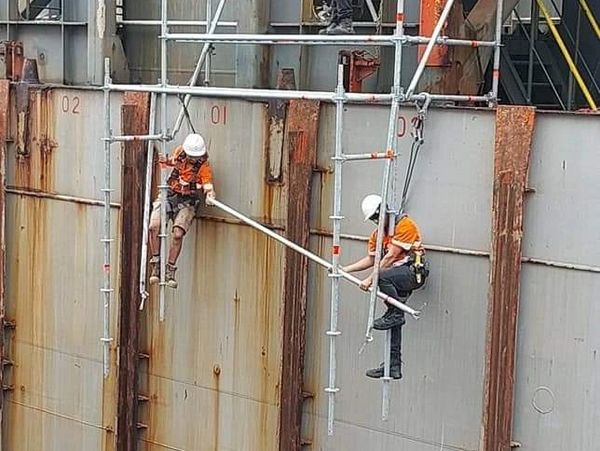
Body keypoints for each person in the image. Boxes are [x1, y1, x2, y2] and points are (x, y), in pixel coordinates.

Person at [342, 194, 428, 380]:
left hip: (412, 273)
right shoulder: (377, 235)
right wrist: (345, 269)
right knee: (394, 322)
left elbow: (389, 257)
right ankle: (393, 365)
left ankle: (396, 314)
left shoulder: (405, 226)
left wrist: (370, 279)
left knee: (382, 279)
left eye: (376, 217)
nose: (375, 222)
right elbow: (372, 259)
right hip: (395, 276)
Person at [148, 133, 216, 288]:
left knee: (178, 234)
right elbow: (171, 163)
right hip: (169, 194)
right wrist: (164, 161)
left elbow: (207, 184)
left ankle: (170, 269)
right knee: (154, 226)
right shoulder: (180, 152)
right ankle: (156, 263)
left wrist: (210, 195)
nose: (192, 159)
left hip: (187, 201)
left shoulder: (203, 166)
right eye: (191, 156)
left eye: (195, 156)